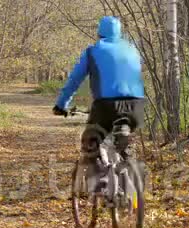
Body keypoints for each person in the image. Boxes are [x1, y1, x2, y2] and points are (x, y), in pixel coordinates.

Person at [53, 16, 145, 163]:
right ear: (119, 32)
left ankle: (95, 176)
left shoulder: (93, 51)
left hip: (105, 107)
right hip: (137, 107)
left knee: (91, 142)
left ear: (99, 33)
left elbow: (74, 80)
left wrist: (61, 105)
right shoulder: (133, 50)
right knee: (124, 138)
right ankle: (131, 174)